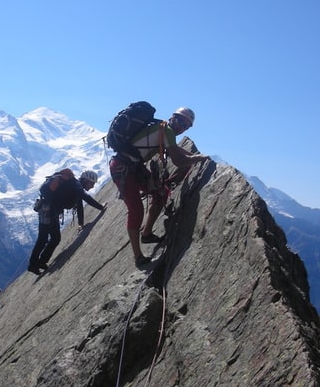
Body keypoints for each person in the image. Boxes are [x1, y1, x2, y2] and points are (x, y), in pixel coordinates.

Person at [109, 106, 206, 268]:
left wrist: (192, 156)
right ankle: (138, 256)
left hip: (131, 167)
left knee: (162, 193)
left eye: (185, 125)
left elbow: (175, 149)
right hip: (124, 169)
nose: (181, 127)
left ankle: (146, 234)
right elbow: (178, 161)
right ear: (173, 117)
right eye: (180, 121)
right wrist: (197, 158)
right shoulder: (166, 130)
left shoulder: (163, 128)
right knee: (136, 210)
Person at [28, 169, 105, 274]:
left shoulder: (74, 186)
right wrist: (101, 207)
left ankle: (40, 262)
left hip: (47, 210)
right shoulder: (76, 186)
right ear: (86, 181)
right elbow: (86, 198)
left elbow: (79, 206)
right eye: (91, 184)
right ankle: (34, 264)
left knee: (51, 238)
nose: (92, 187)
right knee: (46, 239)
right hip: (49, 211)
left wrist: (81, 224)